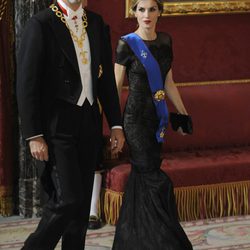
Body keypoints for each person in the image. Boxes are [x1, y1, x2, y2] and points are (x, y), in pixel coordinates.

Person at [16, 0, 125, 249]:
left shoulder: (96, 23)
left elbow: (106, 79)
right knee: (68, 199)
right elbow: (26, 86)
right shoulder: (40, 24)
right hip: (57, 126)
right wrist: (34, 135)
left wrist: (116, 124)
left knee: (82, 202)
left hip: (89, 122)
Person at [112, 0, 193, 249]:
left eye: (152, 9)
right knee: (153, 177)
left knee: (142, 178)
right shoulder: (127, 43)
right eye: (141, 9)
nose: (146, 15)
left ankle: (135, 240)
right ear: (134, 12)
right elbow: (115, 86)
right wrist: (115, 126)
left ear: (160, 12)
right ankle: (165, 241)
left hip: (156, 119)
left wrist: (182, 113)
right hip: (135, 120)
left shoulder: (165, 41)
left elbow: (168, 81)